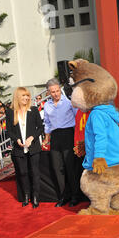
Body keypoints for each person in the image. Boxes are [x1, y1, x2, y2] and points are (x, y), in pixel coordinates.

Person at [42, 78, 80, 207]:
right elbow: (46, 123)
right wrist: (46, 138)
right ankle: (64, 196)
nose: (56, 94)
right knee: (57, 168)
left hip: (68, 134)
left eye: (57, 90)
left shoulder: (69, 103)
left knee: (70, 167)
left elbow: (77, 118)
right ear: (48, 92)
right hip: (55, 137)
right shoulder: (47, 105)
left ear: (60, 89)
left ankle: (75, 195)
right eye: (52, 92)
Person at [5, 87, 43, 208]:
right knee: (22, 173)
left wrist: (32, 137)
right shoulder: (10, 112)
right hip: (19, 149)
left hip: (33, 148)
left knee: (35, 173)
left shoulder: (33, 110)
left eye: (27, 96)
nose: (26, 98)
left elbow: (41, 128)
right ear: (17, 97)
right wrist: (16, 139)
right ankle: (26, 196)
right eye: (23, 96)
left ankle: (36, 197)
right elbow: (9, 131)